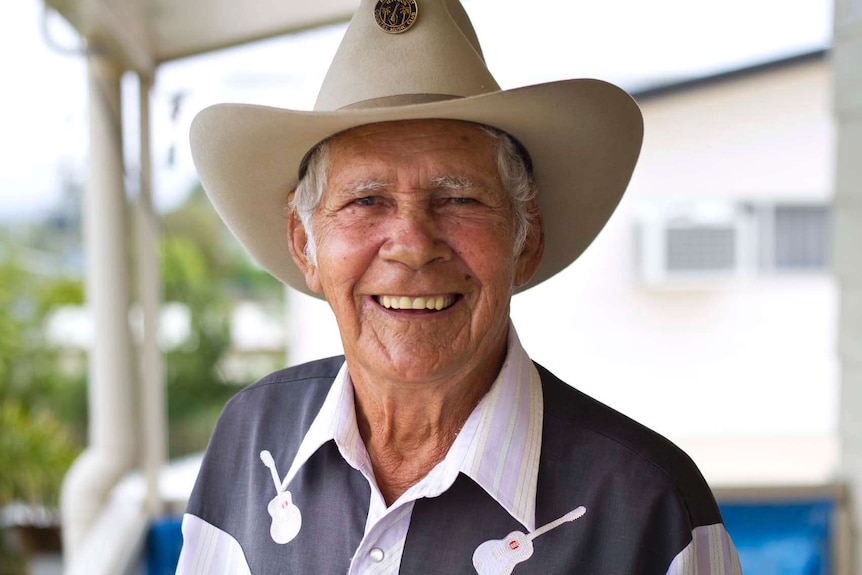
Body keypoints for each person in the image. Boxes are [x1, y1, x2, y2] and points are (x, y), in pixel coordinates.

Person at [177, 0, 742, 573]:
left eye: (459, 199)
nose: (413, 244)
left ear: (526, 240)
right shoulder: (252, 441)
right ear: (305, 244)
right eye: (366, 200)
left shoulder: (647, 505)